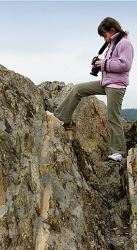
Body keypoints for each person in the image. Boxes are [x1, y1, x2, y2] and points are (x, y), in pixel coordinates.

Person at [54, 17, 134, 162]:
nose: (104, 39)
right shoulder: (112, 44)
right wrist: (101, 65)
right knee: (78, 88)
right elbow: (112, 63)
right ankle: (60, 117)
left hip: (116, 86)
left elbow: (125, 65)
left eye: (105, 35)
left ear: (112, 30)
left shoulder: (124, 43)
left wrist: (104, 63)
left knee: (112, 117)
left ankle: (118, 152)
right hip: (106, 82)